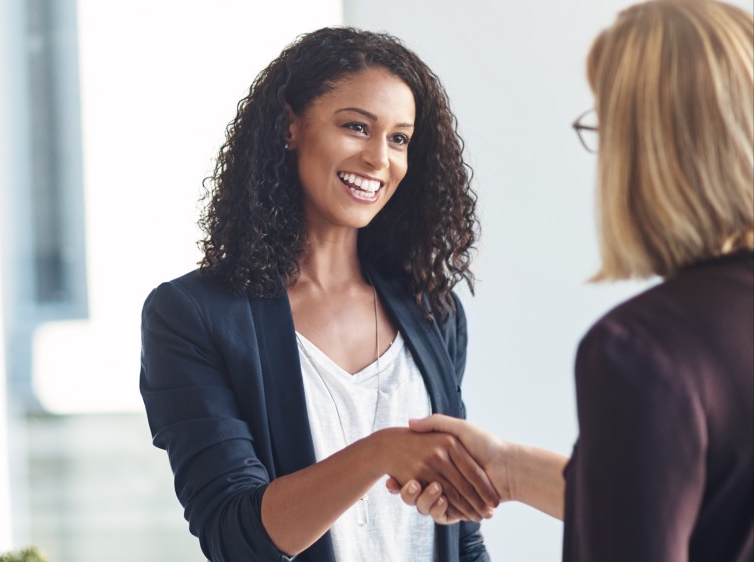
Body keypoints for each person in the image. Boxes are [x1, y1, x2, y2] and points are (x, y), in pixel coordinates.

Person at [393, 1, 754, 561]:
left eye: (604, 126)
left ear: (642, 148)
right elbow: (702, 502)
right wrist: (511, 472)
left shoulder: (641, 350)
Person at [140, 27, 499, 562]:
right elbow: (234, 537)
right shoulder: (191, 316)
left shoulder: (433, 311)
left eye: (399, 138)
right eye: (357, 126)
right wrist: (381, 452)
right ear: (290, 127)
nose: (380, 158)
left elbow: (460, 531)